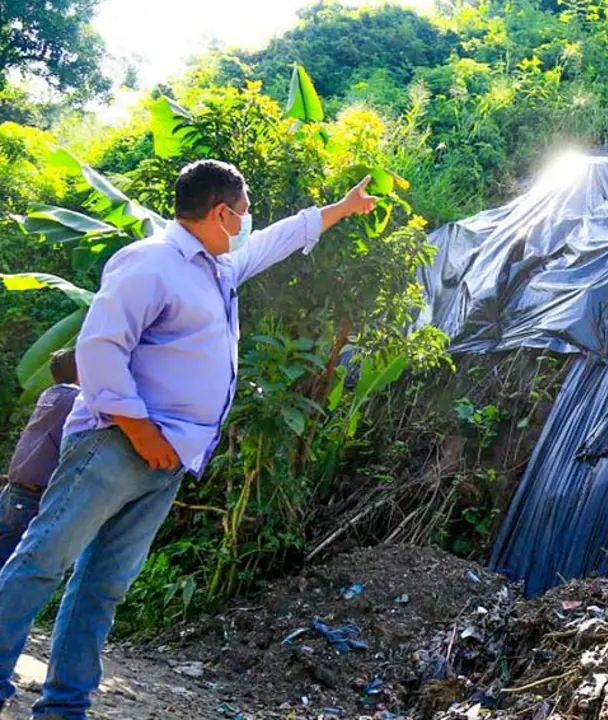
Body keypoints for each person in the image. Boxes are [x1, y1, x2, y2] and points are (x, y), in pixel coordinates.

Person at [0, 159, 378, 719]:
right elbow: (100, 350)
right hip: (115, 445)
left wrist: (341, 209)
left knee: (103, 586)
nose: (249, 223)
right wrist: (141, 430)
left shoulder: (217, 268)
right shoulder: (151, 262)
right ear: (222, 212)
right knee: (43, 560)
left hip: (168, 458)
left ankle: (64, 706)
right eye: (244, 213)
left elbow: (278, 239)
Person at [0, 349, 78, 567]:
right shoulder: (75, 399)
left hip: (16, 488)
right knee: (14, 566)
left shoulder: (50, 394)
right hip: (31, 494)